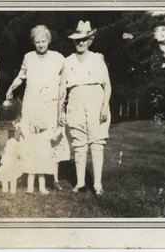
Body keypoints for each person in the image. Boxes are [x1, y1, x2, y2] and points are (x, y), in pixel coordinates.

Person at [6, 25, 69, 194]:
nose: (41, 45)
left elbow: (65, 80)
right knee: (30, 141)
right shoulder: (28, 57)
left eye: (43, 41)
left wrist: (61, 108)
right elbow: (21, 76)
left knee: (50, 141)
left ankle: (53, 179)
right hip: (32, 105)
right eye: (37, 42)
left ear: (48, 41)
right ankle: (28, 176)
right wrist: (12, 86)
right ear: (33, 43)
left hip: (50, 105)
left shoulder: (58, 58)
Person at [59, 20, 111, 198]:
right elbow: (62, 89)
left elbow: (107, 85)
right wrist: (62, 110)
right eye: (77, 40)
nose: (80, 43)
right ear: (73, 41)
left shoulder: (98, 59)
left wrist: (104, 106)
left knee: (97, 143)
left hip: (96, 101)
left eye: (84, 39)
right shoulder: (67, 61)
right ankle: (80, 183)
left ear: (90, 40)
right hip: (75, 102)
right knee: (79, 143)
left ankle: (97, 185)